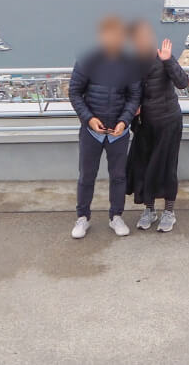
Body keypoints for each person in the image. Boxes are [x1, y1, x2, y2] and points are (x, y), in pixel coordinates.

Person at [68, 14, 144, 239]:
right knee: (86, 176)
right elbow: (74, 92)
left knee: (118, 176)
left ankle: (116, 216)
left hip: (118, 133)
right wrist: (89, 119)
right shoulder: (88, 61)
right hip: (91, 130)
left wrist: (124, 122)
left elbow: (134, 96)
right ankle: (82, 218)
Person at [126, 21, 189, 233]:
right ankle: (150, 209)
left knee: (167, 167)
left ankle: (169, 212)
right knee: (145, 167)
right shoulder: (133, 63)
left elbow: (183, 82)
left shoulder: (163, 57)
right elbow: (129, 92)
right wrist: (133, 108)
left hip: (168, 121)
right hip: (145, 125)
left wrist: (168, 60)